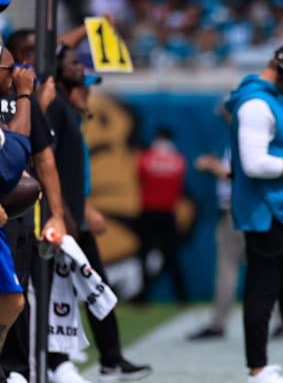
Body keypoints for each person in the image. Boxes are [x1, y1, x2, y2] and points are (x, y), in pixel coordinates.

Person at [44, 44, 151, 382]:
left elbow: (74, 175)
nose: (88, 93)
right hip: (65, 220)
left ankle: (107, 358)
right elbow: (50, 169)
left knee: (95, 287)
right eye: (83, 86)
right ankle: (59, 360)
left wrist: (84, 207)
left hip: (75, 215)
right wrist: (69, 215)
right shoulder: (56, 112)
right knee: (69, 290)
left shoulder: (72, 119)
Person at [225, 42, 283, 383]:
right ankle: (257, 369)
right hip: (263, 211)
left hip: (279, 209)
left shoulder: (265, 99)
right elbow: (254, 164)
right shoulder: (255, 103)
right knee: (262, 290)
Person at [1, 30, 65, 383]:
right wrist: (27, 97)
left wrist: (56, 214)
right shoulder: (23, 96)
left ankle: (14, 372)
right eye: (11, 66)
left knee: (16, 298)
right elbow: (12, 156)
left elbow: (43, 158)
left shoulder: (20, 98)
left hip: (16, 219)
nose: (20, 71)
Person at [187, 106, 247, 340]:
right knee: (265, 270)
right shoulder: (239, 138)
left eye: (227, 114)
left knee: (228, 269)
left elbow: (239, 176)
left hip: (236, 210)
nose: (224, 118)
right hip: (241, 210)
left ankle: (218, 323)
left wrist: (212, 167)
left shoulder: (244, 138)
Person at [135, 127, 188, 304]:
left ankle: (143, 296)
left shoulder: (145, 158)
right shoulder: (178, 160)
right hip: (167, 213)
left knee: (144, 256)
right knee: (172, 256)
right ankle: (181, 297)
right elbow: (178, 186)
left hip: (149, 212)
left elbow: (140, 179)